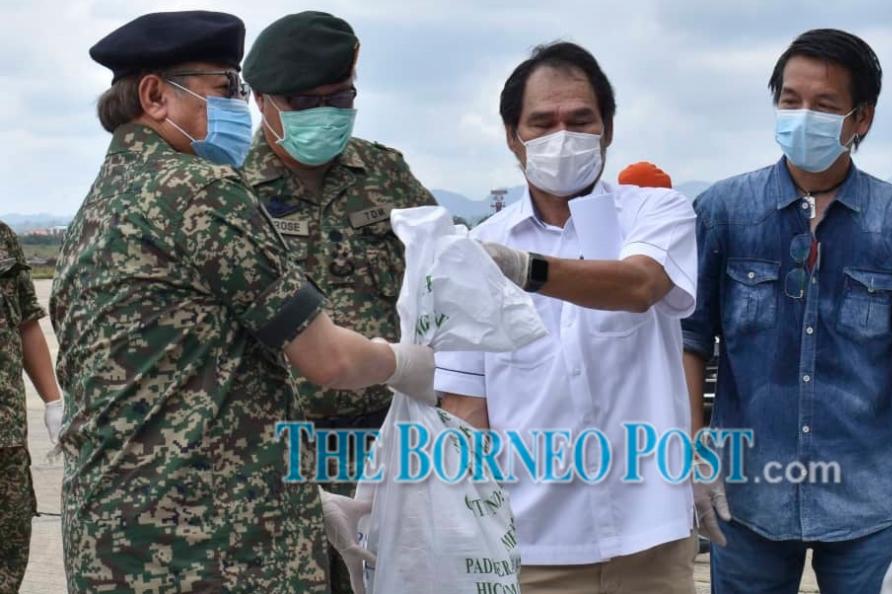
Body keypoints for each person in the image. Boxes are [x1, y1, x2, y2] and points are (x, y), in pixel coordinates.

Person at [51, 12, 433, 593]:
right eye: (226, 89)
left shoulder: (101, 205)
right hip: (213, 550)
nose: (238, 106)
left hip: (119, 538)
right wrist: (411, 365)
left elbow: (182, 387)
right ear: (155, 95)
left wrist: (299, 499)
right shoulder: (198, 188)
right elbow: (327, 359)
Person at [681, 29, 892, 593]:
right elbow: (689, 340)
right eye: (790, 100)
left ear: (862, 119)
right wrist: (694, 452)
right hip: (746, 499)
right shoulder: (723, 213)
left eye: (825, 106)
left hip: (866, 503)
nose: (803, 115)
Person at [437, 42, 700, 594]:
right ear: (514, 136)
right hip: (533, 542)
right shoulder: (478, 249)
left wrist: (523, 269)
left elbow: (640, 285)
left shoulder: (654, 213)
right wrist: (464, 519)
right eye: (542, 122)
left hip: (649, 537)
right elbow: (466, 403)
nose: (563, 136)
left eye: (581, 120)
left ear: (607, 129)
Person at [239, 13, 437, 590]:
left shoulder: (385, 174)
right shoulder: (225, 189)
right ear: (262, 101)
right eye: (305, 102)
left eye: (340, 96)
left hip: (388, 440)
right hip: (277, 450)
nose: (325, 113)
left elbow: (436, 283)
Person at [0, 222, 62, 592]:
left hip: (6, 438)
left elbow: (26, 322)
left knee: (11, 543)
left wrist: (52, 400)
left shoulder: (3, 237)